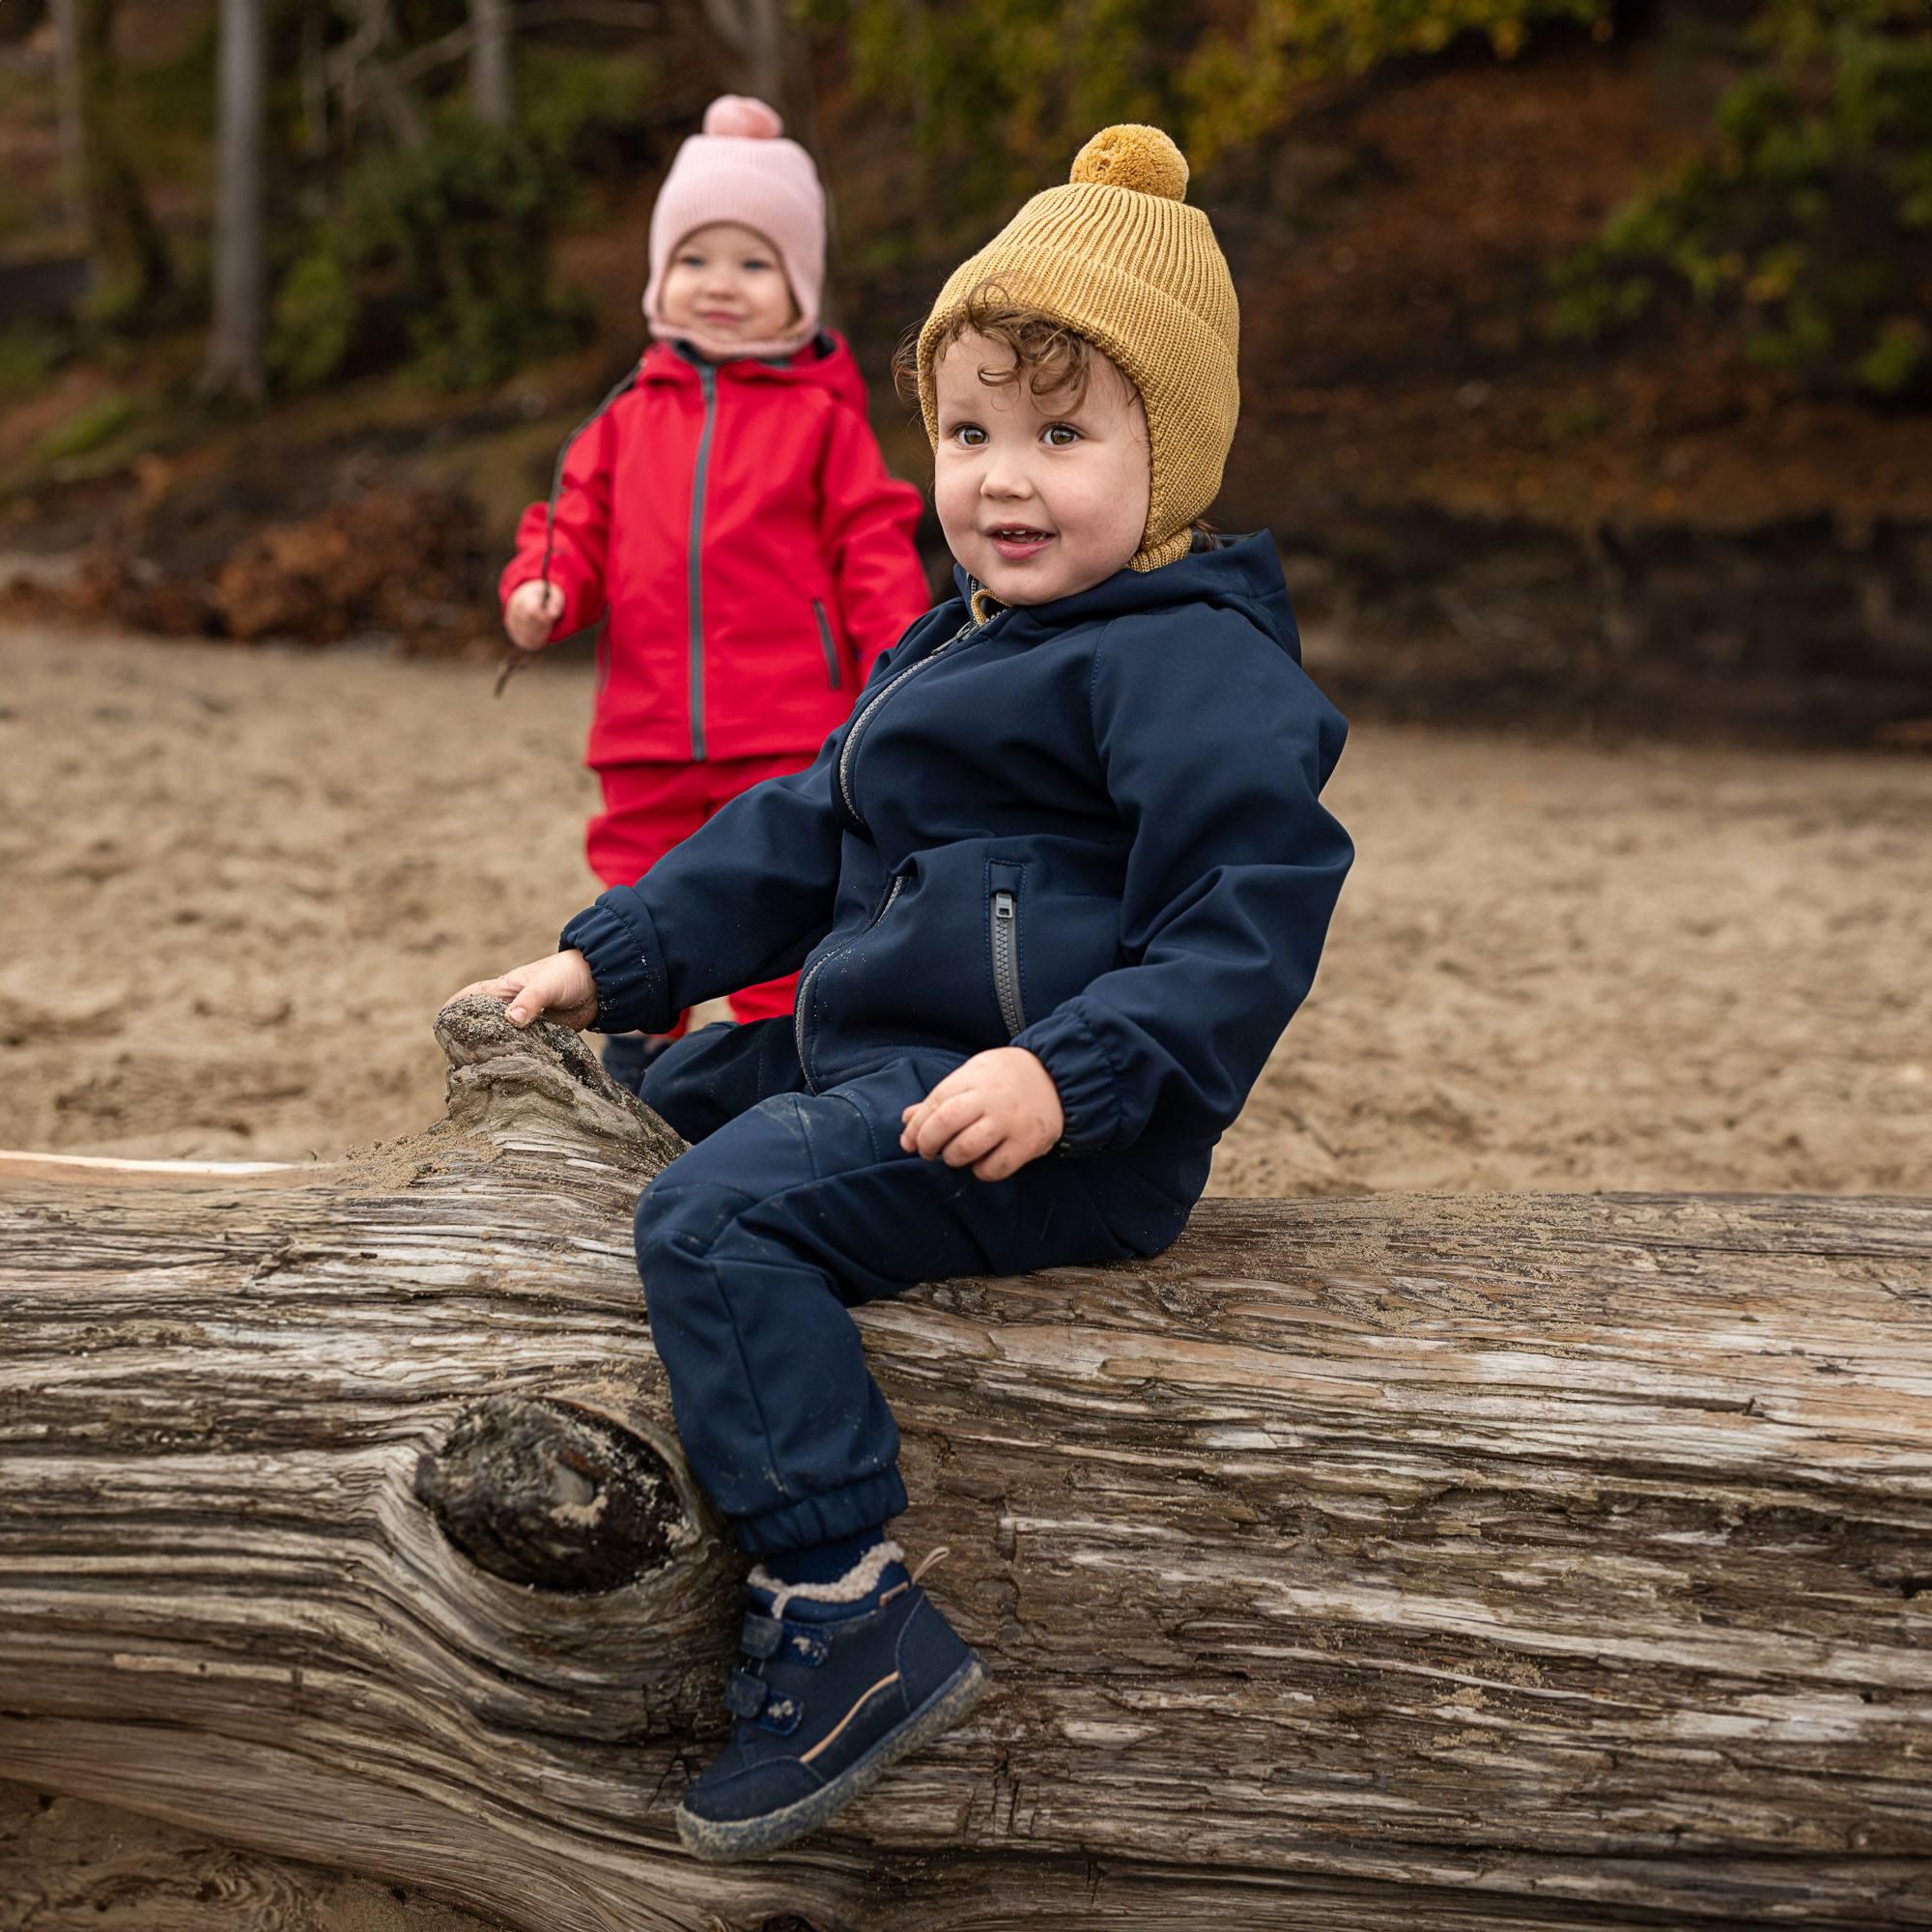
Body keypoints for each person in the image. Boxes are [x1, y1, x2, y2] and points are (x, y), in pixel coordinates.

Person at [458, 122, 1353, 1861]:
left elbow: (1250, 924)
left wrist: (1069, 1077)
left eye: (1063, 435)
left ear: (1172, 456)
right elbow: (804, 830)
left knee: (714, 1221)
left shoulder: (1192, 666)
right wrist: (614, 959)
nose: (1002, 481)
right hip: (884, 1040)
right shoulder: (960, 641)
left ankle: (840, 1598)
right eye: (967, 433)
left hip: (1055, 1123)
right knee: (633, 1094)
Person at [497, 95, 930, 1093]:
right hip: (644, 729)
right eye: (694, 260)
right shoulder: (621, 421)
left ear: (799, 289)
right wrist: (543, 587)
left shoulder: (823, 424)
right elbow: (571, 528)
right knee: (641, 890)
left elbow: (871, 547)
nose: (718, 286)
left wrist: (898, 659)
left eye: (752, 263)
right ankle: (640, 1043)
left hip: (784, 732)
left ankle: (781, 1050)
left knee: (778, 896)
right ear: (658, 277)